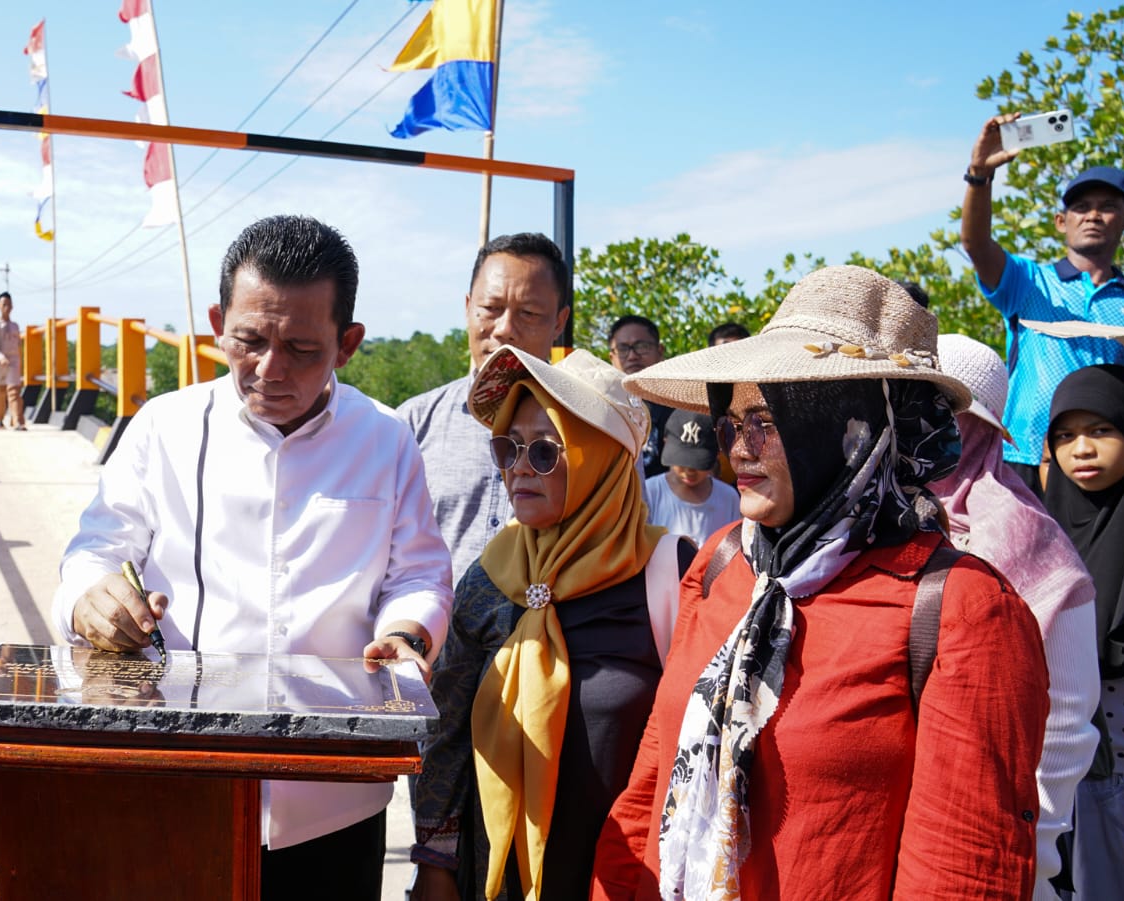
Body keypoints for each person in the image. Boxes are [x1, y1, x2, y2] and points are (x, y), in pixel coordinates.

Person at [593, 265, 1050, 900]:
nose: (738, 452)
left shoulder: (964, 610)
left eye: (767, 422)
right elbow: (655, 773)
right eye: (732, 424)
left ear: (850, 430)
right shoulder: (726, 561)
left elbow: (964, 869)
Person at [53, 214, 452, 901]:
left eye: (302, 348)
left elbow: (416, 571)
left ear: (348, 343)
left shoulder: (384, 438)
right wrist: (93, 597)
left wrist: (406, 633)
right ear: (216, 322)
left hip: (332, 796)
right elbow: (96, 550)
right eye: (250, 340)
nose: (270, 369)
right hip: (180, 777)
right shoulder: (161, 428)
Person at [410, 346, 693, 901]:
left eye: (544, 451)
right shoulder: (489, 576)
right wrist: (435, 863)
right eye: (506, 447)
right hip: (495, 879)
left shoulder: (672, 574)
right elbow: (446, 734)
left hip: (628, 878)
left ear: (603, 460)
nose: (517, 466)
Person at [930, 334, 1100, 900]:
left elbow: (1068, 724)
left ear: (981, 431)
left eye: (944, 414)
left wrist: (1032, 846)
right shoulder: (869, 523)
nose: (921, 432)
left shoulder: (1027, 542)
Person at [961, 112, 1124, 495]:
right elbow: (976, 245)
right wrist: (979, 174)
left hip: (1105, 464)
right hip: (1023, 458)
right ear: (1061, 221)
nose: (1093, 214)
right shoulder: (1028, 282)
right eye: (1081, 207)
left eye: (1108, 205)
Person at [398, 232, 571, 586]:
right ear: (467, 308)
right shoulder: (412, 424)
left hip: (551, 639)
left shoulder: (593, 426)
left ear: (558, 322)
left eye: (529, 313)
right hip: (434, 638)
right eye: (491, 309)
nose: (505, 329)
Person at [1043, 364, 1124, 898]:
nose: (1081, 449)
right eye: (1065, 435)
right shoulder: (1042, 531)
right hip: (1066, 775)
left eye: (1101, 430)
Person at [643, 409, 741, 545]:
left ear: (717, 454)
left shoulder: (729, 498)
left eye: (698, 463)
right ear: (666, 443)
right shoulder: (650, 492)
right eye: (682, 461)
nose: (689, 471)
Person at [607, 315, 671, 477]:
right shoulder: (602, 406)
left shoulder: (678, 404)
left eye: (641, 346)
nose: (632, 356)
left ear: (660, 351)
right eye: (623, 349)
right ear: (611, 358)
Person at [0, 291, 25, 430]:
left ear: (12, 306)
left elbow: (18, 344)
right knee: (0, 391)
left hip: (13, 360)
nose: (6, 307)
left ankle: (18, 420)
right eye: (4, 304)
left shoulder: (15, 326)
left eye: (9, 304)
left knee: (14, 391)